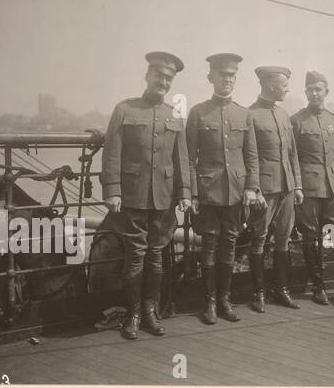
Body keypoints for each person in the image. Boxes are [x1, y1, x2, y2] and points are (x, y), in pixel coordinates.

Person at [101, 51, 193, 339]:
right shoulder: (125, 109)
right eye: (158, 76)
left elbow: (182, 158)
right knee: (135, 256)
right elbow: (111, 153)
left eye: (168, 78)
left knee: (155, 255)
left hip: (164, 197)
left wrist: (185, 192)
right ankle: (133, 314)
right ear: (147, 76)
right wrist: (112, 190)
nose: (163, 82)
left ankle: (151, 312)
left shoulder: (174, 115)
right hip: (131, 196)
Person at [186, 53, 262, 324]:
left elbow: (251, 155)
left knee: (229, 243)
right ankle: (208, 302)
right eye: (222, 76)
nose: (227, 80)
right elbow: (189, 158)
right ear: (211, 78)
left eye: (231, 76)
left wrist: (252, 188)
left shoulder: (244, 114)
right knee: (208, 244)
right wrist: (193, 193)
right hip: (207, 191)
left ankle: (225, 299)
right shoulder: (197, 112)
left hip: (236, 191)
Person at [245, 65, 303, 312]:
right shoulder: (251, 115)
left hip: (287, 187)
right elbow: (249, 157)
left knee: (283, 239)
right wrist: (255, 189)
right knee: (258, 239)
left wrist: (298, 185)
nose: (287, 90)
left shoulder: (283, 115)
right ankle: (258, 293)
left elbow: (293, 154)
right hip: (265, 190)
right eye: (284, 86)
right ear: (270, 86)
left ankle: (282, 290)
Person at [290, 71, 334, 307]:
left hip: (333, 190)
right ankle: (318, 286)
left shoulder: (333, 120)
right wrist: (298, 185)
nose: (314, 93)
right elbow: (293, 156)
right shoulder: (297, 121)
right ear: (305, 93)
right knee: (311, 236)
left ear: (326, 91)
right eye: (310, 90)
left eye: (318, 89)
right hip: (310, 190)